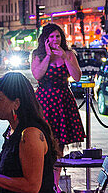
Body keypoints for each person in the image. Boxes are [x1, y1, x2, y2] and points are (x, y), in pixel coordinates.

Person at [30, 23, 85, 154]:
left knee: (59, 141)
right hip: (44, 99)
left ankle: (56, 172)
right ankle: (44, 171)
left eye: (58, 36)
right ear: (45, 39)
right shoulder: (38, 55)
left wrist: (65, 57)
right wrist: (48, 56)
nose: (55, 39)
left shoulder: (69, 54)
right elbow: (37, 75)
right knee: (43, 136)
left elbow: (76, 76)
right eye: (52, 37)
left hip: (63, 99)